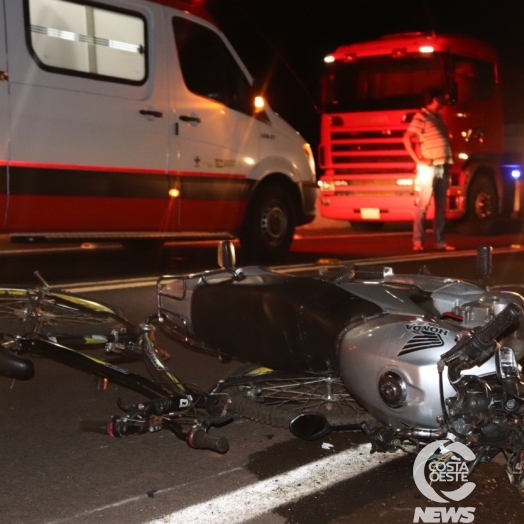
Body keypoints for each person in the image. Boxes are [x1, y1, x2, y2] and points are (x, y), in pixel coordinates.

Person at [403, 87, 456, 252]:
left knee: (441, 206)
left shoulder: (438, 116)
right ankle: (417, 241)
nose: (445, 101)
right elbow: (406, 138)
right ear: (435, 99)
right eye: (442, 98)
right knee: (423, 204)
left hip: (442, 165)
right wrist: (417, 159)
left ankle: (440, 241)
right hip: (429, 166)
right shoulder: (421, 116)